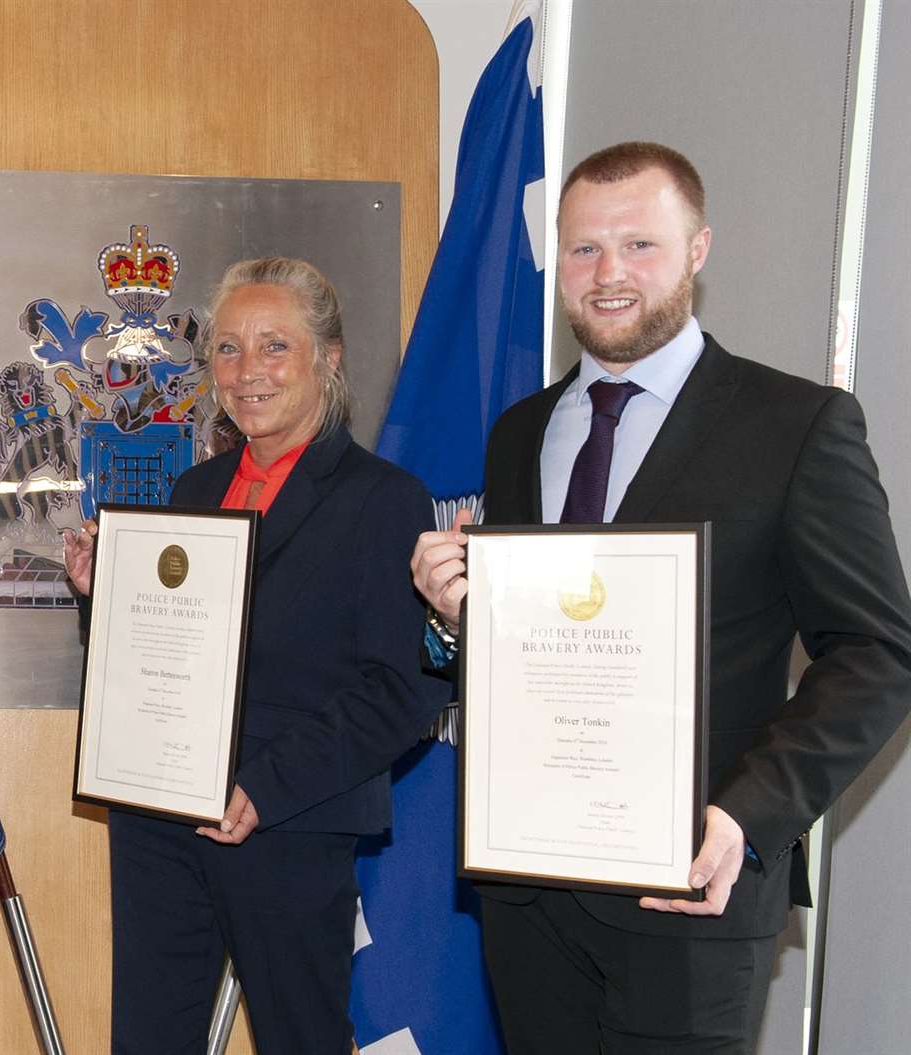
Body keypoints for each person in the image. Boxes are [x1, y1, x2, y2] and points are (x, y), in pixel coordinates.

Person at [411, 141, 911, 1053]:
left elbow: (878, 653)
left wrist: (749, 816)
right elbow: (536, 648)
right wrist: (452, 626)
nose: (608, 275)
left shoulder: (796, 426)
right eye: (584, 250)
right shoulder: (520, 433)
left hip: (692, 882)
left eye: (639, 245)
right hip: (528, 890)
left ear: (698, 249)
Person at [63, 257, 448, 1052]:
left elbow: (400, 693)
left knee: (300, 1039)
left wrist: (267, 788)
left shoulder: (384, 499)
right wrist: (103, 596)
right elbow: (157, 658)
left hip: (290, 823)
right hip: (159, 819)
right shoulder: (191, 491)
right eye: (229, 349)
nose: (247, 371)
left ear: (328, 358)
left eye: (275, 345)